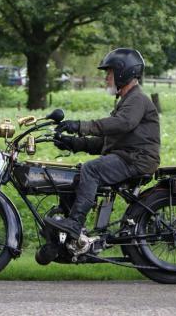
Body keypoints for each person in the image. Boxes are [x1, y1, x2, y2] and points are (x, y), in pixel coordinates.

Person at [44, 48, 160, 239]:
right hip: (128, 157)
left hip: (136, 159)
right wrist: (73, 143)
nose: (106, 78)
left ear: (124, 72)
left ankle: (74, 223)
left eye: (109, 73)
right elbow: (106, 142)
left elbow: (122, 124)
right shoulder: (127, 101)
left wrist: (80, 126)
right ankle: (63, 234)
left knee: (91, 170)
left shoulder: (137, 99)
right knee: (76, 175)